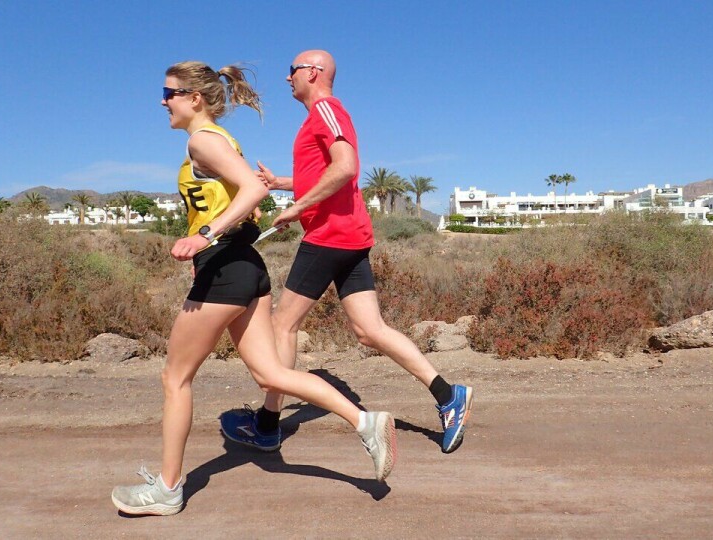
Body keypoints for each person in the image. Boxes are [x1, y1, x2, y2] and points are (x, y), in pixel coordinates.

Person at [111, 61, 397, 517]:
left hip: (225, 271)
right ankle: (365, 422)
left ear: (194, 98)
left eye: (169, 93)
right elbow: (244, 197)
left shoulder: (202, 141)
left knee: (175, 378)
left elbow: (251, 189)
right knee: (270, 376)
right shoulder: (222, 141)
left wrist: (205, 236)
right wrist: (222, 232)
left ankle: (167, 489)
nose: (163, 101)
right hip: (245, 269)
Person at [221, 50, 473, 455]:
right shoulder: (317, 117)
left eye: (292, 71)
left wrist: (299, 208)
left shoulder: (326, 110)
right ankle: (449, 395)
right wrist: (283, 182)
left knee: (282, 326)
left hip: (329, 236)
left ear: (314, 73)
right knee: (368, 330)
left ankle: (267, 425)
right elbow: (324, 173)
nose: (287, 78)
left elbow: (346, 168)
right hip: (347, 235)